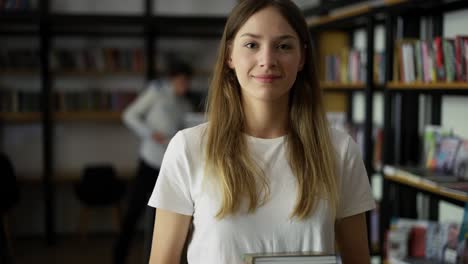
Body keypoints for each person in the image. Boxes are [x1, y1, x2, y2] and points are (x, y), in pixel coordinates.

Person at [148, 0, 375, 263]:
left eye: (283, 46)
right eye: (252, 45)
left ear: (302, 57)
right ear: (230, 55)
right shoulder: (188, 147)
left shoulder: (339, 149)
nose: (267, 60)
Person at [112, 60, 193, 264]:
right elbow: (129, 115)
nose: (186, 85)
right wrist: (150, 133)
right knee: (134, 213)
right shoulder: (156, 92)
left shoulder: (185, 104)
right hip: (150, 163)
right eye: (183, 80)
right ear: (174, 78)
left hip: (172, 167)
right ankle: (118, 258)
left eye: (188, 82)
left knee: (170, 217)